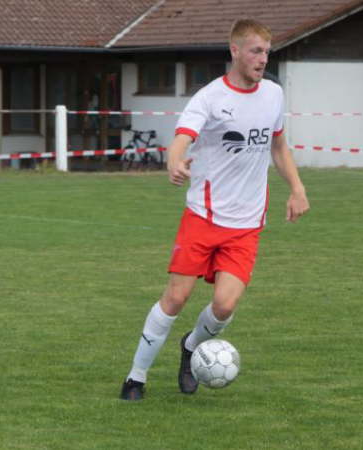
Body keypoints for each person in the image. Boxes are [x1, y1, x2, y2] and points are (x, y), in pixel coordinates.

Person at [120, 19, 310, 400]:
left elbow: (278, 146)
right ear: (235, 51)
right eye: (256, 51)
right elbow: (182, 138)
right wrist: (174, 161)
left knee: (224, 305)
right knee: (175, 298)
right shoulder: (209, 98)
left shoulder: (273, 94)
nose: (262, 59)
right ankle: (136, 377)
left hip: (247, 223)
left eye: (267, 52)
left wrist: (297, 188)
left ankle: (190, 348)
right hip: (203, 218)